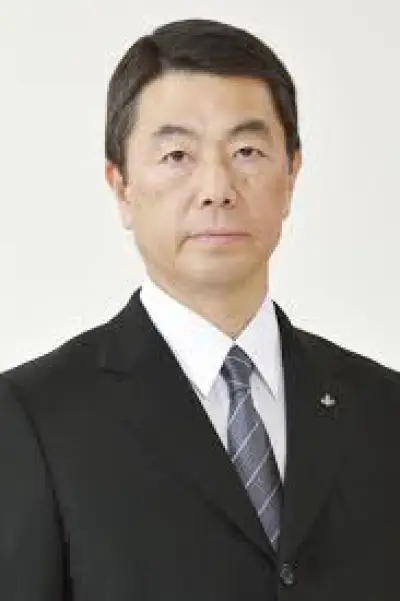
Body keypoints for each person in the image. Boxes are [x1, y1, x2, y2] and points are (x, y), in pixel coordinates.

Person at [1, 18, 399, 601]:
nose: (217, 188)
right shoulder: (33, 419)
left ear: (291, 174)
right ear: (121, 186)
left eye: (247, 151)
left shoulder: (385, 408)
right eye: (177, 155)